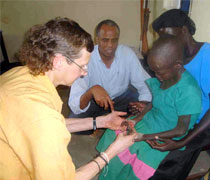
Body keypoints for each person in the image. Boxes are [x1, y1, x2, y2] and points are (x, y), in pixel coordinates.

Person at [0, 17, 137, 180]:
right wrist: (112, 151)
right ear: (58, 62)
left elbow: (53, 123)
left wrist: (102, 122)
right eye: (82, 66)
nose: (85, 72)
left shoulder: (19, 73)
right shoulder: (42, 117)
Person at [96, 35, 202, 180]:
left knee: (137, 152)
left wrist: (143, 137)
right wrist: (136, 120)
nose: (156, 75)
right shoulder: (166, 76)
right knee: (114, 133)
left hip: (166, 132)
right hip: (151, 120)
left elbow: (181, 130)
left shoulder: (189, 91)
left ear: (177, 65)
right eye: (154, 71)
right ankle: (108, 175)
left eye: (159, 72)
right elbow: (155, 102)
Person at [147, 9, 210, 180]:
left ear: (184, 30)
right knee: (144, 144)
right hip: (177, 114)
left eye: (168, 36)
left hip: (202, 124)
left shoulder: (208, 54)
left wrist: (183, 141)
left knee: (168, 161)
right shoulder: (175, 56)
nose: (164, 42)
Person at [68, 19, 152, 123]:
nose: (110, 45)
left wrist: (143, 103)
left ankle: (111, 120)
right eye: (105, 40)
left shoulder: (127, 54)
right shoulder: (86, 58)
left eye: (114, 40)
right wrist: (91, 91)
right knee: (75, 122)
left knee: (144, 105)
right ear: (97, 40)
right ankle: (104, 121)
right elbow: (75, 103)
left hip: (121, 99)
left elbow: (146, 84)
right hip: (95, 101)